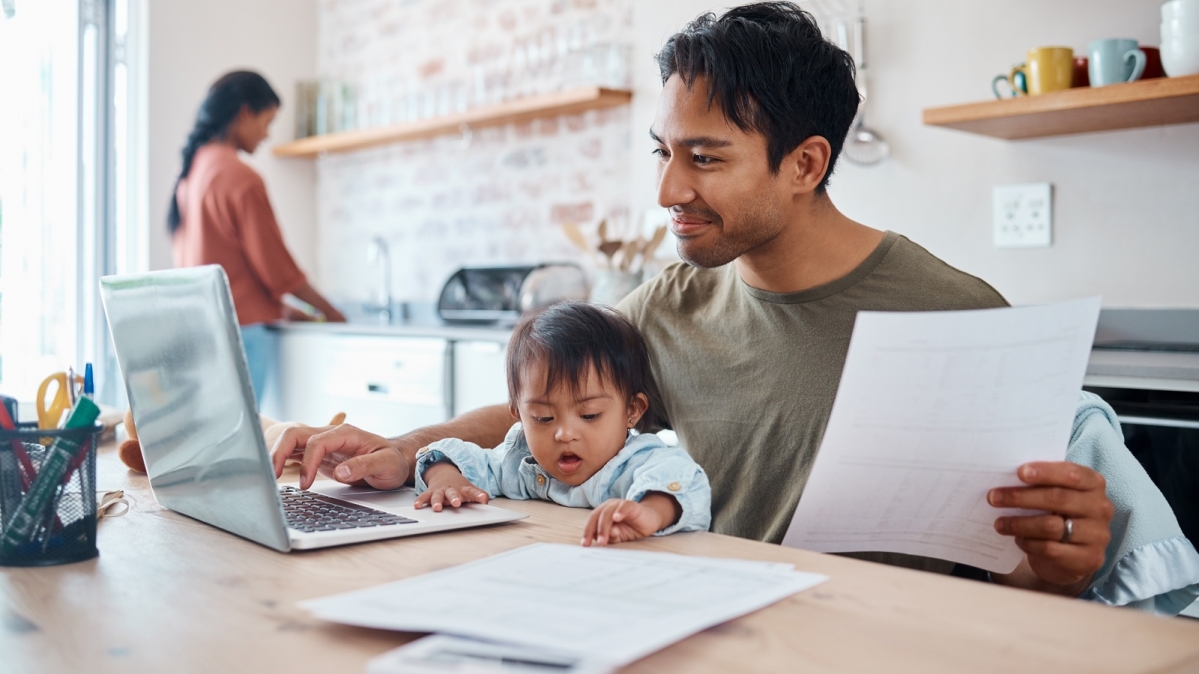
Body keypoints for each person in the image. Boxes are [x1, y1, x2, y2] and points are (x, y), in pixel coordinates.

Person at [270, 4, 1199, 612]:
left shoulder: (957, 316)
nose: (669, 186)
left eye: (704, 158)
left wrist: (1061, 566)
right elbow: (548, 403)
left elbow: (1028, 582)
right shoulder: (669, 303)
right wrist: (402, 448)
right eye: (661, 152)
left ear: (804, 165)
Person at [410, 301, 710, 546]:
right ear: (519, 414)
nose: (564, 434)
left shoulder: (637, 461)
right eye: (543, 418)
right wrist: (445, 478)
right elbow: (460, 458)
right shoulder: (523, 462)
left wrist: (649, 512)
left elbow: (682, 479)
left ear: (632, 410)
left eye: (589, 415)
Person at [170, 70, 346, 403]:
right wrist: (333, 314)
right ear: (245, 112)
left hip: (200, 330)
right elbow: (278, 271)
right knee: (248, 442)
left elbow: (222, 265)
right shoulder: (240, 177)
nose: (267, 134)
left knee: (218, 444)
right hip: (242, 335)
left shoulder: (191, 174)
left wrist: (280, 308)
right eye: (267, 121)